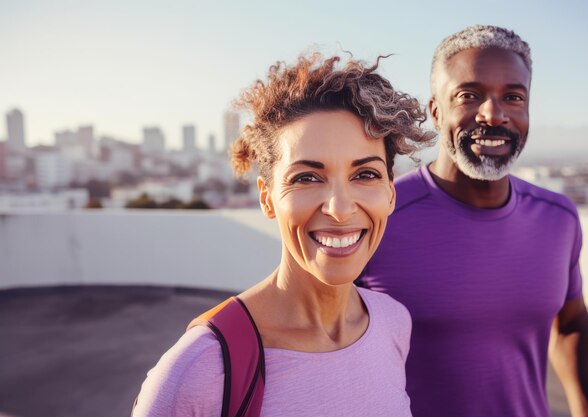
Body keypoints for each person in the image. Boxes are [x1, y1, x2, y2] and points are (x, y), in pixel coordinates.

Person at [132, 52, 433, 416]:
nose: (339, 208)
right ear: (267, 198)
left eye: (365, 174)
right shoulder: (199, 370)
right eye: (307, 178)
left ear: (390, 193)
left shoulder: (394, 323)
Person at [360, 25, 588, 417]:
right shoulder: (378, 216)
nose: (493, 113)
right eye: (469, 95)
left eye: (513, 97)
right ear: (436, 110)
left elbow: (572, 323)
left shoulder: (559, 218)